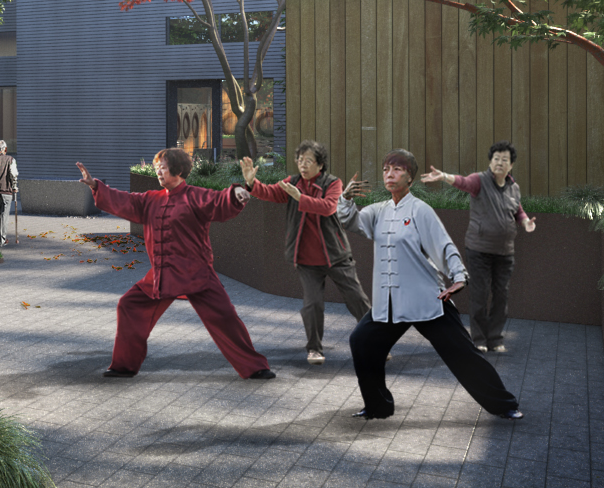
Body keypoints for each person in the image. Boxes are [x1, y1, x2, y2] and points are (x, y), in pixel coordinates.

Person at [349, 149, 521, 421]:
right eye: (386, 169)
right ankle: (377, 406)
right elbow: (351, 222)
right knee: (361, 341)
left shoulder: (420, 211)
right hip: (389, 304)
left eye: (397, 169)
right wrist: (345, 200)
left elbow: (444, 246)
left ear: (410, 178)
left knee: (463, 355)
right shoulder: (378, 211)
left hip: (427, 300)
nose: (389, 174)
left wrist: (459, 277)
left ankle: (504, 404)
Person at [77, 150, 275, 380]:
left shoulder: (196, 196)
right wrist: (95, 186)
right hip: (161, 275)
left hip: (196, 273)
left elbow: (220, 200)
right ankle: (123, 366)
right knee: (129, 305)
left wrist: (240, 192)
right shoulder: (150, 199)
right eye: (156, 168)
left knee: (225, 318)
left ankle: (255, 367)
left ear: (179, 170)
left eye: (163, 167)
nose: (158, 171)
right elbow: (124, 200)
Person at [240, 142, 371, 364]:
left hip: (335, 255)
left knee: (357, 299)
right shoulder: (292, 183)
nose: (303, 165)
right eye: (300, 160)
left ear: (320, 164)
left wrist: (299, 197)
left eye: (308, 161)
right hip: (306, 259)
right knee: (312, 305)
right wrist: (252, 182)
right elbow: (270, 192)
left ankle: (376, 341)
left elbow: (329, 207)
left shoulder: (333, 183)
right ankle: (314, 349)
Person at [422, 142, 536, 354]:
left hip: (505, 253)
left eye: (504, 160)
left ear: (511, 165)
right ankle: (479, 339)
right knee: (480, 295)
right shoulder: (479, 181)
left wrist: (526, 222)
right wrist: (444, 176)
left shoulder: (514, 188)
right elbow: (462, 182)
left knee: (501, 296)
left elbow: (518, 210)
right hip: (479, 251)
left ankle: (495, 338)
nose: (500, 162)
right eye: (496, 158)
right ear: (490, 162)